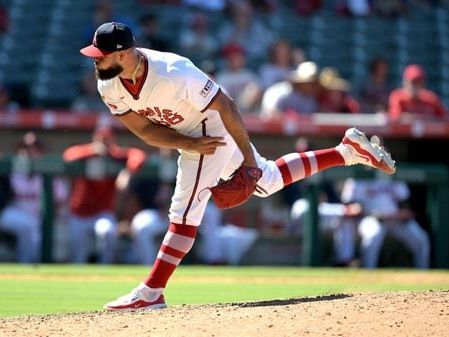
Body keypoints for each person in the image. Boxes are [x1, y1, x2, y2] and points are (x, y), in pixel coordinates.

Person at [80, 22, 395, 311]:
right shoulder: (108, 84)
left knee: (184, 210)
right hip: (190, 137)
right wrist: (188, 145)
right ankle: (346, 152)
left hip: (213, 128)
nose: (95, 61)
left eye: (101, 55)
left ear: (122, 55)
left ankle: (151, 292)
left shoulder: (173, 72)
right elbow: (145, 131)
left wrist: (245, 158)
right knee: (267, 180)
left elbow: (227, 106)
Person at [63, 126, 147, 263]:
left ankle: (105, 267)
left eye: (107, 139)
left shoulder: (115, 155)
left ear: (113, 140)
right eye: (101, 139)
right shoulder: (85, 153)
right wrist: (92, 151)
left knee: (108, 232)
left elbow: (138, 155)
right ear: (95, 139)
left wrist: (128, 171)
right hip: (79, 213)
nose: (104, 142)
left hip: (102, 212)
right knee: (77, 255)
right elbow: (68, 156)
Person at [0, 132, 68, 263]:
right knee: (27, 226)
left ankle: (34, 266)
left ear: (41, 151)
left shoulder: (48, 170)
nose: (30, 151)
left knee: (42, 232)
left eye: (34, 148)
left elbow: (60, 200)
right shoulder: (10, 169)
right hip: (14, 213)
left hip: (39, 217)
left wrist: (50, 218)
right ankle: (26, 265)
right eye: (25, 147)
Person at [341, 177, 430, 268]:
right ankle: (368, 272)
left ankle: (423, 272)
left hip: (395, 220)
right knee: (373, 235)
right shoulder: (359, 177)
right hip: (370, 219)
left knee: (421, 238)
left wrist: (403, 212)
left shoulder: (392, 173)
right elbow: (349, 204)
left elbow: (404, 201)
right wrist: (360, 209)